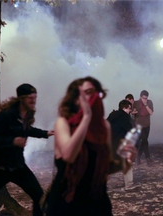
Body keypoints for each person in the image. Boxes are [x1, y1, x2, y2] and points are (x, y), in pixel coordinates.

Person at [45, 77, 136, 216]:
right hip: (67, 200)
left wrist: (125, 162)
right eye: (88, 92)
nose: (93, 97)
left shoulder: (103, 126)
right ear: (75, 98)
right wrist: (86, 117)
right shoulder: (63, 123)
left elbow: (104, 167)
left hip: (97, 199)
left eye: (97, 94)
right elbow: (69, 156)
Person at [0, 83, 54, 216]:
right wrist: (12, 141)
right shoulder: (6, 115)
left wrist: (45, 133)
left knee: (38, 196)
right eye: (30, 98)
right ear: (22, 99)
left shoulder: (26, 115)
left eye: (35, 97)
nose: (33, 101)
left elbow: (27, 129)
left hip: (17, 167)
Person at [107, 100, 140, 191]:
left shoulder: (112, 115)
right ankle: (129, 185)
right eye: (129, 109)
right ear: (124, 108)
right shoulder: (124, 117)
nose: (130, 110)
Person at [133, 90, 154, 166]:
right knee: (145, 140)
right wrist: (133, 112)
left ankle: (138, 157)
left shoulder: (149, 102)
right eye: (143, 98)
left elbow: (151, 113)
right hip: (139, 125)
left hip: (147, 125)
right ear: (140, 97)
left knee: (143, 142)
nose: (145, 99)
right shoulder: (136, 103)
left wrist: (146, 105)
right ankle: (148, 158)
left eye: (146, 98)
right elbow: (131, 112)